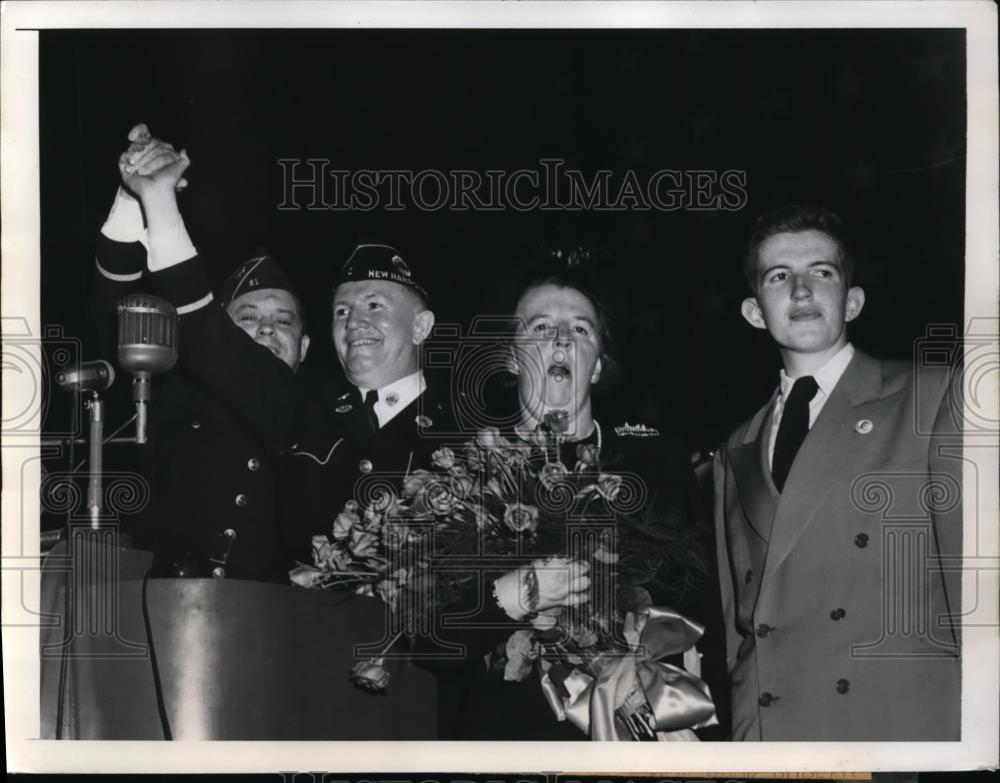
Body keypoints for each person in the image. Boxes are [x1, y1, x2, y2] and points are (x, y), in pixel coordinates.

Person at [430, 253, 724, 740]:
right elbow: (429, 639)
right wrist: (514, 593)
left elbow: (702, 618)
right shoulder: (466, 471)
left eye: (581, 329)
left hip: (641, 737)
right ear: (509, 356)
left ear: (597, 367)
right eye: (542, 327)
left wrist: (707, 742)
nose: (562, 339)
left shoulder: (658, 466)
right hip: (507, 743)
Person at [713, 204, 962, 740]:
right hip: (774, 739)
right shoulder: (736, 448)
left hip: (895, 734)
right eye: (779, 277)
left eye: (821, 272)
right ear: (755, 312)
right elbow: (743, 632)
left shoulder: (934, 397)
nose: (801, 291)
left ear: (852, 301)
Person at [91, 125, 310, 580]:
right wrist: (132, 197)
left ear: (305, 349)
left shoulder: (308, 410)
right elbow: (118, 313)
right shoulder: (169, 391)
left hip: (258, 626)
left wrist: (161, 201)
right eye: (247, 317)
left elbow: (209, 336)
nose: (266, 327)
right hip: (158, 613)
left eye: (284, 320)